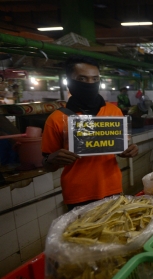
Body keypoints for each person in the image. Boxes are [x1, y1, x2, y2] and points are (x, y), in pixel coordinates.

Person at [41, 55, 139, 210]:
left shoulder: (113, 112)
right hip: (77, 193)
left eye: (95, 79)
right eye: (82, 79)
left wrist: (129, 150)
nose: (90, 84)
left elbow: (120, 147)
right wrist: (52, 159)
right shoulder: (56, 119)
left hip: (112, 187)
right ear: (69, 81)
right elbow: (47, 165)